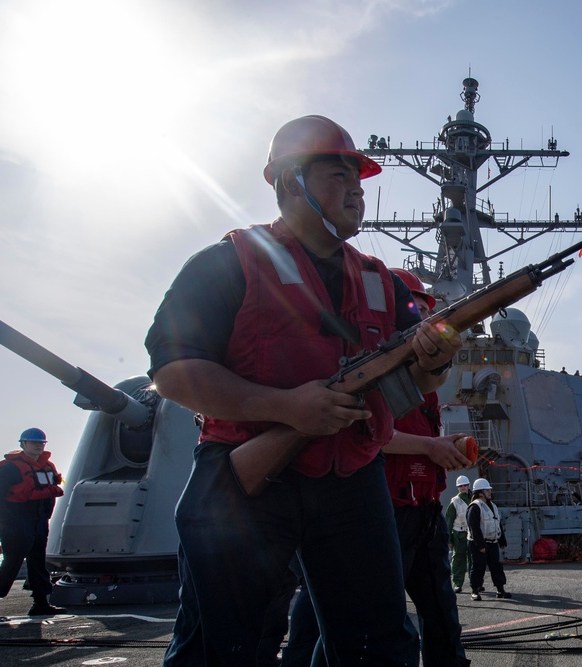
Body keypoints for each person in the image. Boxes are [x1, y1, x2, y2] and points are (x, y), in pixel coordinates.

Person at [144, 114, 461, 665]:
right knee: (222, 646)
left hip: (352, 480)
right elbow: (171, 370)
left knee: (379, 646)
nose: (357, 194)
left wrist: (437, 362)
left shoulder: (384, 282)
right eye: (339, 177)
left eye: (359, 182)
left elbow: (417, 381)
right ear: (291, 182)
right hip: (244, 483)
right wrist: (286, 407)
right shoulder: (227, 264)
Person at [382, 268, 472, 667]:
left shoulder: (422, 380)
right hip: (386, 512)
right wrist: (429, 448)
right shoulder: (372, 369)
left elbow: (416, 432)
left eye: (423, 308)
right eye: (412, 305)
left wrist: (441, 446)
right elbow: (366, 433)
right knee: (375, 621)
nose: (419, 313)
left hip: (425, 513)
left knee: (441, 615)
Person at [0, 428, 66, 621]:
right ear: (22, 444)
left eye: (41, 443)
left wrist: (45, 518)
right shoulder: (9, 469)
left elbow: (49, 493)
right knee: (11, 564)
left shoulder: (48, 467)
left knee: (38, 563)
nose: (38, 445)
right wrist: (8, 523)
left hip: (39, 522)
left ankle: (40, 604)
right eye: (33, 442)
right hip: (16, 523)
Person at [466, 478, 511, 601]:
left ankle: (500, 589)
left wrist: (502, 540)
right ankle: (475, 590)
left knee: (496, 566)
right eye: (487, 490)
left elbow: (498, 523)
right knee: (478, 566)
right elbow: (473, 527)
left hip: (492, 542)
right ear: (480, 492)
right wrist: (480, 545)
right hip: (478, 543)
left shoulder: (493, 506)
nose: (490, 492)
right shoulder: (474, 507)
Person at [445, 476, 473, 593]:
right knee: (458, 559)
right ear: (458, 487)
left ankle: (475, 583)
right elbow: (449, 521)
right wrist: (449, 539)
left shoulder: (475, 499)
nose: (463, 487)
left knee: (473, 559)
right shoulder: (455, 502)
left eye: (464, 485)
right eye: (460, 486)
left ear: (468, 485)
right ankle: (457, 583)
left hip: (472, 533)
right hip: (459, 534)